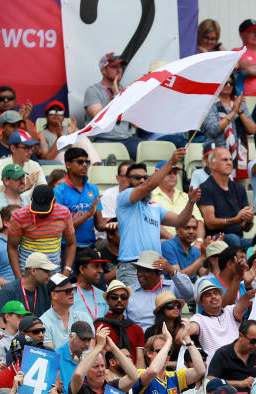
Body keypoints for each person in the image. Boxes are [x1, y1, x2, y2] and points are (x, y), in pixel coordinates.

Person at [116, 151, 201, 287]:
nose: (142, 181)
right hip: (132, 266)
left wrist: (190, 202)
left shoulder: (154, 207)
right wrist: (171, 162)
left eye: (145, 177)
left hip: (154, 267)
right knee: (132, 308)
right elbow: (148, 186)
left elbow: (180, 221)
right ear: (126, 181)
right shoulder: (124, 198)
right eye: (137, 177)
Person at [84, 53, 142, 157]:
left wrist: (133, 94)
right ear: (103, 70)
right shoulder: (93, 91)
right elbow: (98, 117)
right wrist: (116, 97)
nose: (119, 70)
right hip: (104, 139)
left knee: (149, 149)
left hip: (128, 138)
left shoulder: (126, 90)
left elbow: (136, 123)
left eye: (120, 66)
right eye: (114, 67)